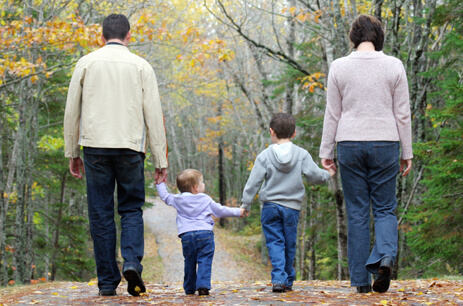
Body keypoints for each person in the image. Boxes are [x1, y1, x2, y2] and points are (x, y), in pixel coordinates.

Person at [63, 14, 168, 297]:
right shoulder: (141, 66)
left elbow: (72, 111)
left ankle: (108, 282)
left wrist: (72, 151)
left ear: (102, 36)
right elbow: (153, 116)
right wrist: (161, 159)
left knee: (100, 213)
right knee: (131, 209)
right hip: (131, 147)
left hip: (95, 147)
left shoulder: (86, 63)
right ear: (129, 35)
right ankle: (132, 262)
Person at [319, 14, 413, 293]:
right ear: (378, 37)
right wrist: (406, 151)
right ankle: (384, 257)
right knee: (384, 208)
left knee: (357, 211)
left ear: (354, 37)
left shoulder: (339, 66)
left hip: (349, 142)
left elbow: (332, 113)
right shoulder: (394, 65)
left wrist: (326, 151)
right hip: (386, 142)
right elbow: (403, 114)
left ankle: (360, 282)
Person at [240, 112, 334, 293]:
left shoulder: (265, 155)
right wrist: (328, 174)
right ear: (294, 133)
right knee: (290, 243)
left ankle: (278, 279)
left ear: (271, 131)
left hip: (270, 207)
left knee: (275, 242)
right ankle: (287, 281)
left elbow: (253, 182)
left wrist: (246, 204)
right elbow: (315, 176)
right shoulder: (301, 154)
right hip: (291, 208)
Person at [156, 169, 244, 296]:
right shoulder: (205, 199)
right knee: (205, 259)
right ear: (196, 187)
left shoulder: (177, 199)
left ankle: (189, 288)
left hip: (186, 236)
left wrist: (160, 183)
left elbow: (164, 196)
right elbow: (220, 211)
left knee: (189, 261)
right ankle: (203, 285)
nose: (204, 184)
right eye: (202, 182)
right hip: (205, 234)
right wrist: (238, 212)